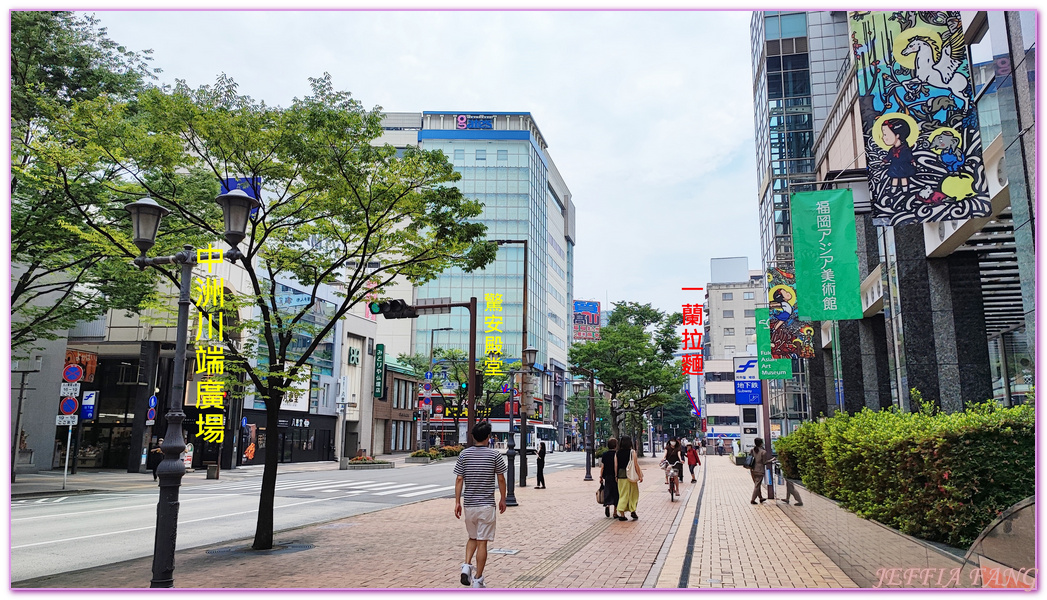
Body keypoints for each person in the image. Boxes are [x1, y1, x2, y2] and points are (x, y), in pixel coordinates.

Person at [454, 421, 507, 588]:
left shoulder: (464, 454)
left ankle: (466, 565)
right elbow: (500, 478)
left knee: (472, 537)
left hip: (469, 504)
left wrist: (457, 502)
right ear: (488, 438)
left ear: (473, 437)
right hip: (486, 505)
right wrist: (503, 498)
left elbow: (459, 478)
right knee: (482, 541)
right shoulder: (494, 455)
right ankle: (478, 579)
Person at [881, 117, 917, 188]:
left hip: (903, 166)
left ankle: (905, 189)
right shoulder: (892, 149)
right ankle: (893, 189)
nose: (883, 137)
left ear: (897, 135)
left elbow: (909, 156)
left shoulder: (905, 149)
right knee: (895, 178)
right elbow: (889, 156)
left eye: (885, 134)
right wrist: (884, 161)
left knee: (904, 178)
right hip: (894, 166)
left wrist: (913, 161)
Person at [614, 435, 643, 521]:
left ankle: (622, 514)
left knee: (623, 494)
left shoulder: (617, 453)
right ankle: (632, 510)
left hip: (621, 475)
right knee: (634, 493)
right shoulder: (632, 452)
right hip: (631, 476)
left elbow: (616, 465)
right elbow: (635, 465)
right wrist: (640, 475)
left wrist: (616, 475)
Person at [749, 438, 775, 505]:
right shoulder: (763, 452)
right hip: (760, 470)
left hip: (752, 469)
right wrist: (772, 460)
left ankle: (760, 498)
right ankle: (753, 499)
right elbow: (764, 462)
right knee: (757, 485)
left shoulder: (752, 450)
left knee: (757, 484)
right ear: (761, 443)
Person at [599, 438, 621, 518]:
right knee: (616, 493)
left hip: (607, 476)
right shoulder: (617, 454)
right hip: (615, 476)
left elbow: (602, 467)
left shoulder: (605, 454)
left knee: (607, 491)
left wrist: (601, 476)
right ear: (616, 445)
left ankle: (607, 505)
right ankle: (615, 512)